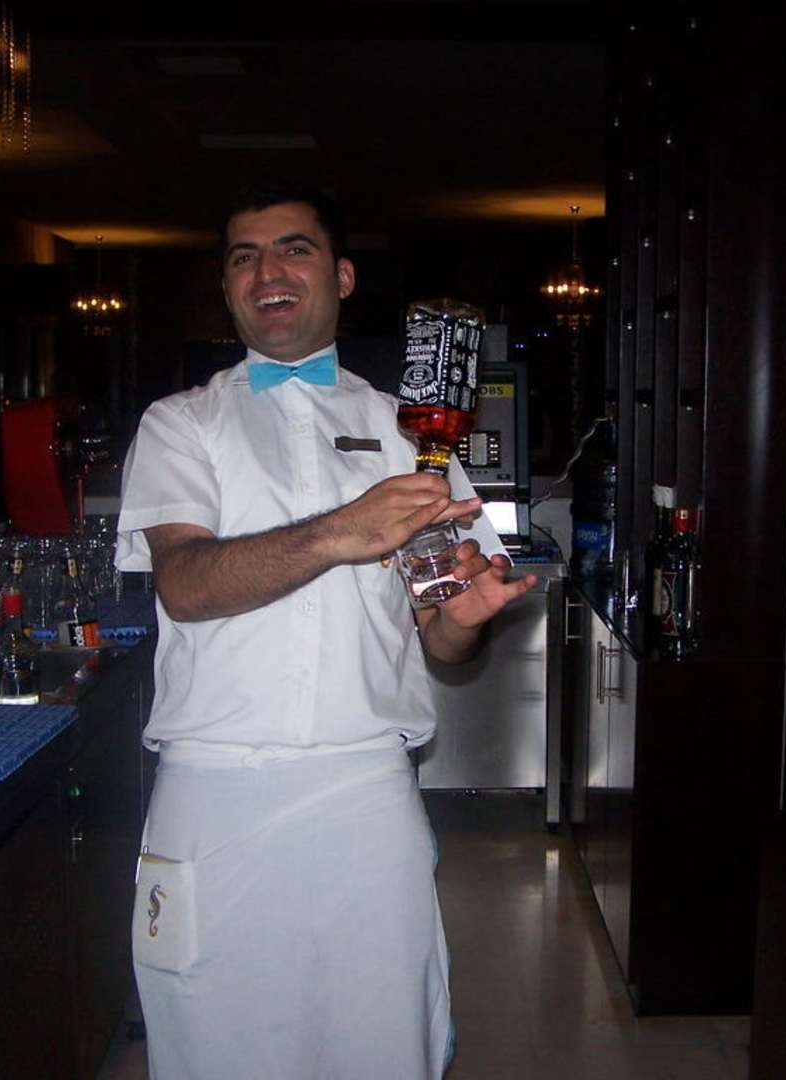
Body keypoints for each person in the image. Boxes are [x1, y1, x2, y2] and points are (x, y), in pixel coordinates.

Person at [114, 184, 536, 1080]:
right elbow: (185, 585)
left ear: (342, 277)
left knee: (382, 1046)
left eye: (293, 249)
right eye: (243, 256)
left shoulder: (409, 433)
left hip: (364, 791)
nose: (266, 271)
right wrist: (342, 531)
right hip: (214, 795)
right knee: (215, 1050)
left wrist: (461, 621)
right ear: (227, 287)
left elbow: (442, 638)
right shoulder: (180, 423)